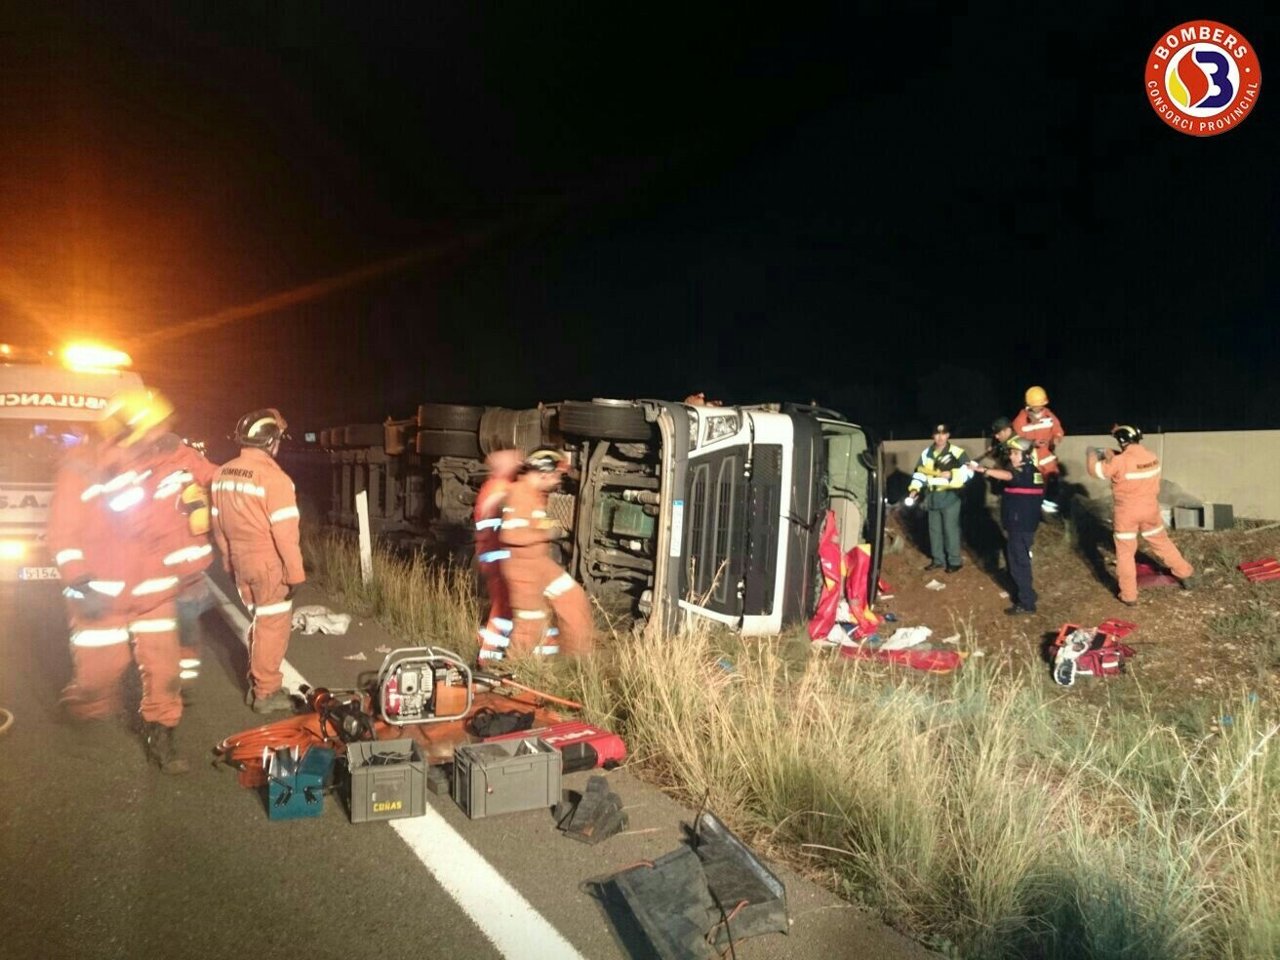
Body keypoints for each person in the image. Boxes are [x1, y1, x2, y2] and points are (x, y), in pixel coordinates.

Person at [48, 388, 201, 774]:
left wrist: (188, 569)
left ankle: (162, 733)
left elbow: (174, 524)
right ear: (128, 429)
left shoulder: (159, 467)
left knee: (166, 673)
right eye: (154, 428)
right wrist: (79, 581)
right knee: (101, 674)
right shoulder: (82, 467)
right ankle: (84, 702)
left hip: (154, 592)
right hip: (101, 593)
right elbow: (63, 534)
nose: (160, 434)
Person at [211, 408, 304, 712]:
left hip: (240, 560)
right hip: (268, 562)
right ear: (271, 442)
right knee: (273, 626)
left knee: (260, 621)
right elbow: (286, 535)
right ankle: (266, 693)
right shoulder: (274, 478)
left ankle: (258, 683)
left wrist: (228, 561)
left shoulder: (222, 474)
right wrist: (295, 575)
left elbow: (218, 523)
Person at [498, 449, 594, 657]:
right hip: (523, 569)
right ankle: (512, 675)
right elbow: (510, 535)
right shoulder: (519, 493)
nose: (556, 481)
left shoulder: (535, 494)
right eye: (555, 476)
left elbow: (535, 522)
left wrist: (554, 524)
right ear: (544, 473)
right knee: (530, 626)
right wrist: (546, 532)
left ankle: (576, 661)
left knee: (573, 599)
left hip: (539, 564)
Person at [1086, 425, 1194, 607]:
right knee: (1161, 542)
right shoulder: (1151, 457)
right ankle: (1185, 573)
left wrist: (1091, 454)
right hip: (1150, 509)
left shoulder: (1120, 462)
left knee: (1125, 553)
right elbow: (1130, 461)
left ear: (1121, 441)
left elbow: (1095, 471)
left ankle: (1129, 596)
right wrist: (1113, 453)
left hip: (1127, 513)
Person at [970, 437, 1043, 614]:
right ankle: (1028, 594)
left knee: (1019, 563)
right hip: (1023, 524)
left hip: (1020, 525)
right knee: (1019, 560)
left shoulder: (1024, 473)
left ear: (1027, 456)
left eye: (1016, 453)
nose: (1012, 456)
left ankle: (1026, 603)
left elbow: (1009, 475)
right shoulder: (1033, 472)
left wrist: (981, 469)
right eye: (1011, 452)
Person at [473, 448, 522, 664]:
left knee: (503, 606)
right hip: (498, 557)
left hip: (493, 556)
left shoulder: (491, 488)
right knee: (502, 608)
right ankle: (489, 658)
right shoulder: (501, 490)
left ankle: (495, 652)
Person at [904, 423, 972, 573]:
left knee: (950, 529)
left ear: (948, 435)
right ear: (932, 436)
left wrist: (953, 474)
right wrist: (914, 489)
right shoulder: (926, 453)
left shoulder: (957, 452)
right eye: (937, 434)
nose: (940, 437)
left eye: (944, 434)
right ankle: (938, 560)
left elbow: (969, 473)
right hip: (932, 496)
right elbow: (919, 474)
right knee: (934, 530)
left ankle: (954, 561)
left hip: (950, 496)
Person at [1011, 386, 1065, 513]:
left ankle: (1047, 505)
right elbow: (1015, 440)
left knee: (1053, 478)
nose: (1039, 407)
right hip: (1029, 458)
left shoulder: (1049, 416)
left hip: (1046, 455)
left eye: (1041, 405)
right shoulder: (1020, 420)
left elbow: (1058, 430)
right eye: (1036, 405)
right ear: (1028, 404)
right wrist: (1032, 443)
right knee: (1033, 484)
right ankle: (1032, 508)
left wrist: (1056, 438)